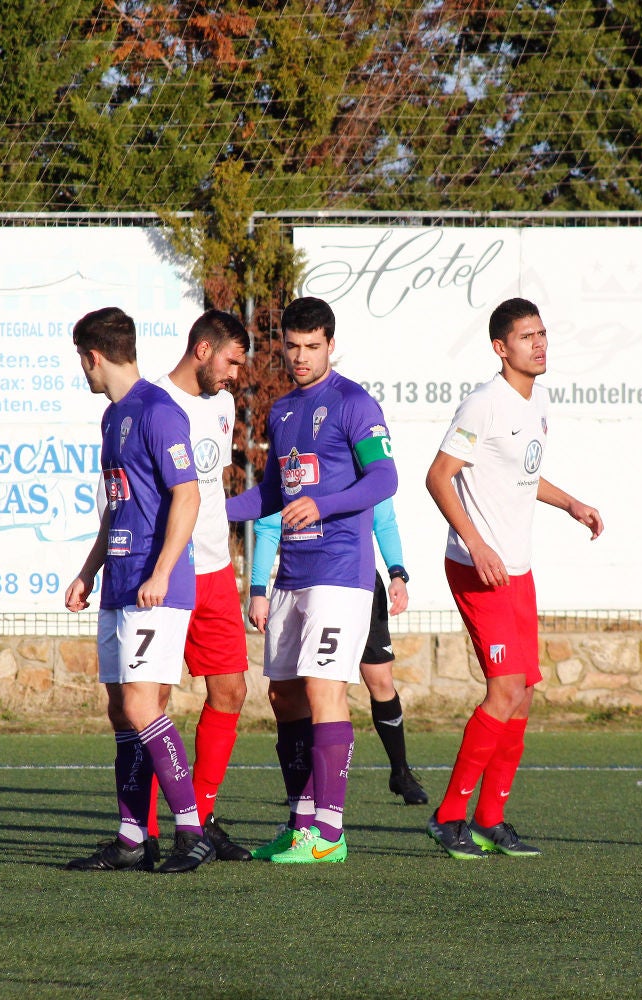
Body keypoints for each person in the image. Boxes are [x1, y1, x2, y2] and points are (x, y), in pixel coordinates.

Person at [424, 297, 603, 860]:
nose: (540, 344)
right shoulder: (484, 403)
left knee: (523, 695)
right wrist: (475, 543)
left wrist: (570, 502)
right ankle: (449, 816)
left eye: (543, 334)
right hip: (479, 568)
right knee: (503, 690)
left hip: (517, 569)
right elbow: (438, 476)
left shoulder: (537, 400)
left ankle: (490, 820)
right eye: (527, 337)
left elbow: (522, 475)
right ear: (501, 348)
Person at [225, 296, 398, 864]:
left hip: (339, 574)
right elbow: (274, 494)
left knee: (325, 691)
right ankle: (300, 822)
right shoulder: (281, 411)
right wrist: (209, 510)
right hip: (291, 575)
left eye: (312, 347)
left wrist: (323, 506)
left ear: (330, 344)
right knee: (283, 696)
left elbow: (385, 478)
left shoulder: (353, 403)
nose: (301, 357)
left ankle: (329, 833)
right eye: (292, 347)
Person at [61, 305, 216, 874]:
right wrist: (89, 569)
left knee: (140, 705)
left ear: (94, 356)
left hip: (157, 588)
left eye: (83, 360)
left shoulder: (157, 411)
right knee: (120, 712)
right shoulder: (112, 418)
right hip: (120, 584)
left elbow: (188, 495)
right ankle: (132, 838)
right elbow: (117, 507)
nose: (83, 371)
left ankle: (192, 831)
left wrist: (160, 571)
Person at [147, 309, 254, 862]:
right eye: (232, 361)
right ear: (203, 349)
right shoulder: (155, 405)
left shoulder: (223, 402)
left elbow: (208, 489)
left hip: (215, 571)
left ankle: (201, 815)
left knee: (231, 690)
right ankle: (144, 830)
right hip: (170, 571)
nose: (236, 374)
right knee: (154, 699)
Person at [249, 497, 428, 805]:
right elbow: (267, 524)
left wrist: (397, 573)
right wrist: (257, 589)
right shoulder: (290, 462)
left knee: (380, 680)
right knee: (305, 688)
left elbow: (383, 519)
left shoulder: (362, 459)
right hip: (302, 584)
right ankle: (309, 792)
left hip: (356, 581)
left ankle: (400, 772)